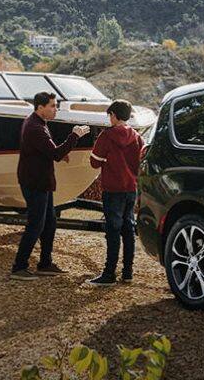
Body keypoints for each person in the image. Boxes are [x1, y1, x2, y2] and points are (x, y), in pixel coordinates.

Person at [11, 91, 84, 280]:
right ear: (40, 107)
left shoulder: (38, 123)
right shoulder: (35, 127)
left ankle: (45, 263)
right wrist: (74, 135)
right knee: (35, 225)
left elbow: (49, 150)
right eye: (52, 106)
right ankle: (19, 267)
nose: (56, 109)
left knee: (50, 223)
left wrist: (60, 151)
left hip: (41, 181)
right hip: (35, 182)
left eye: (56, 105)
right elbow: (55, 154)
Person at [86, 99, 144, 286]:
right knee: (128, 230)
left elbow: (94, 162)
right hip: (130, 189)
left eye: (109, 115)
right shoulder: (136, 136)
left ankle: (109, 274)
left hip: (113, 189)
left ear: (114, 115)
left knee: (113, 231)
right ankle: (127, 272)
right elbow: (141, 161)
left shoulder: (107, 136)